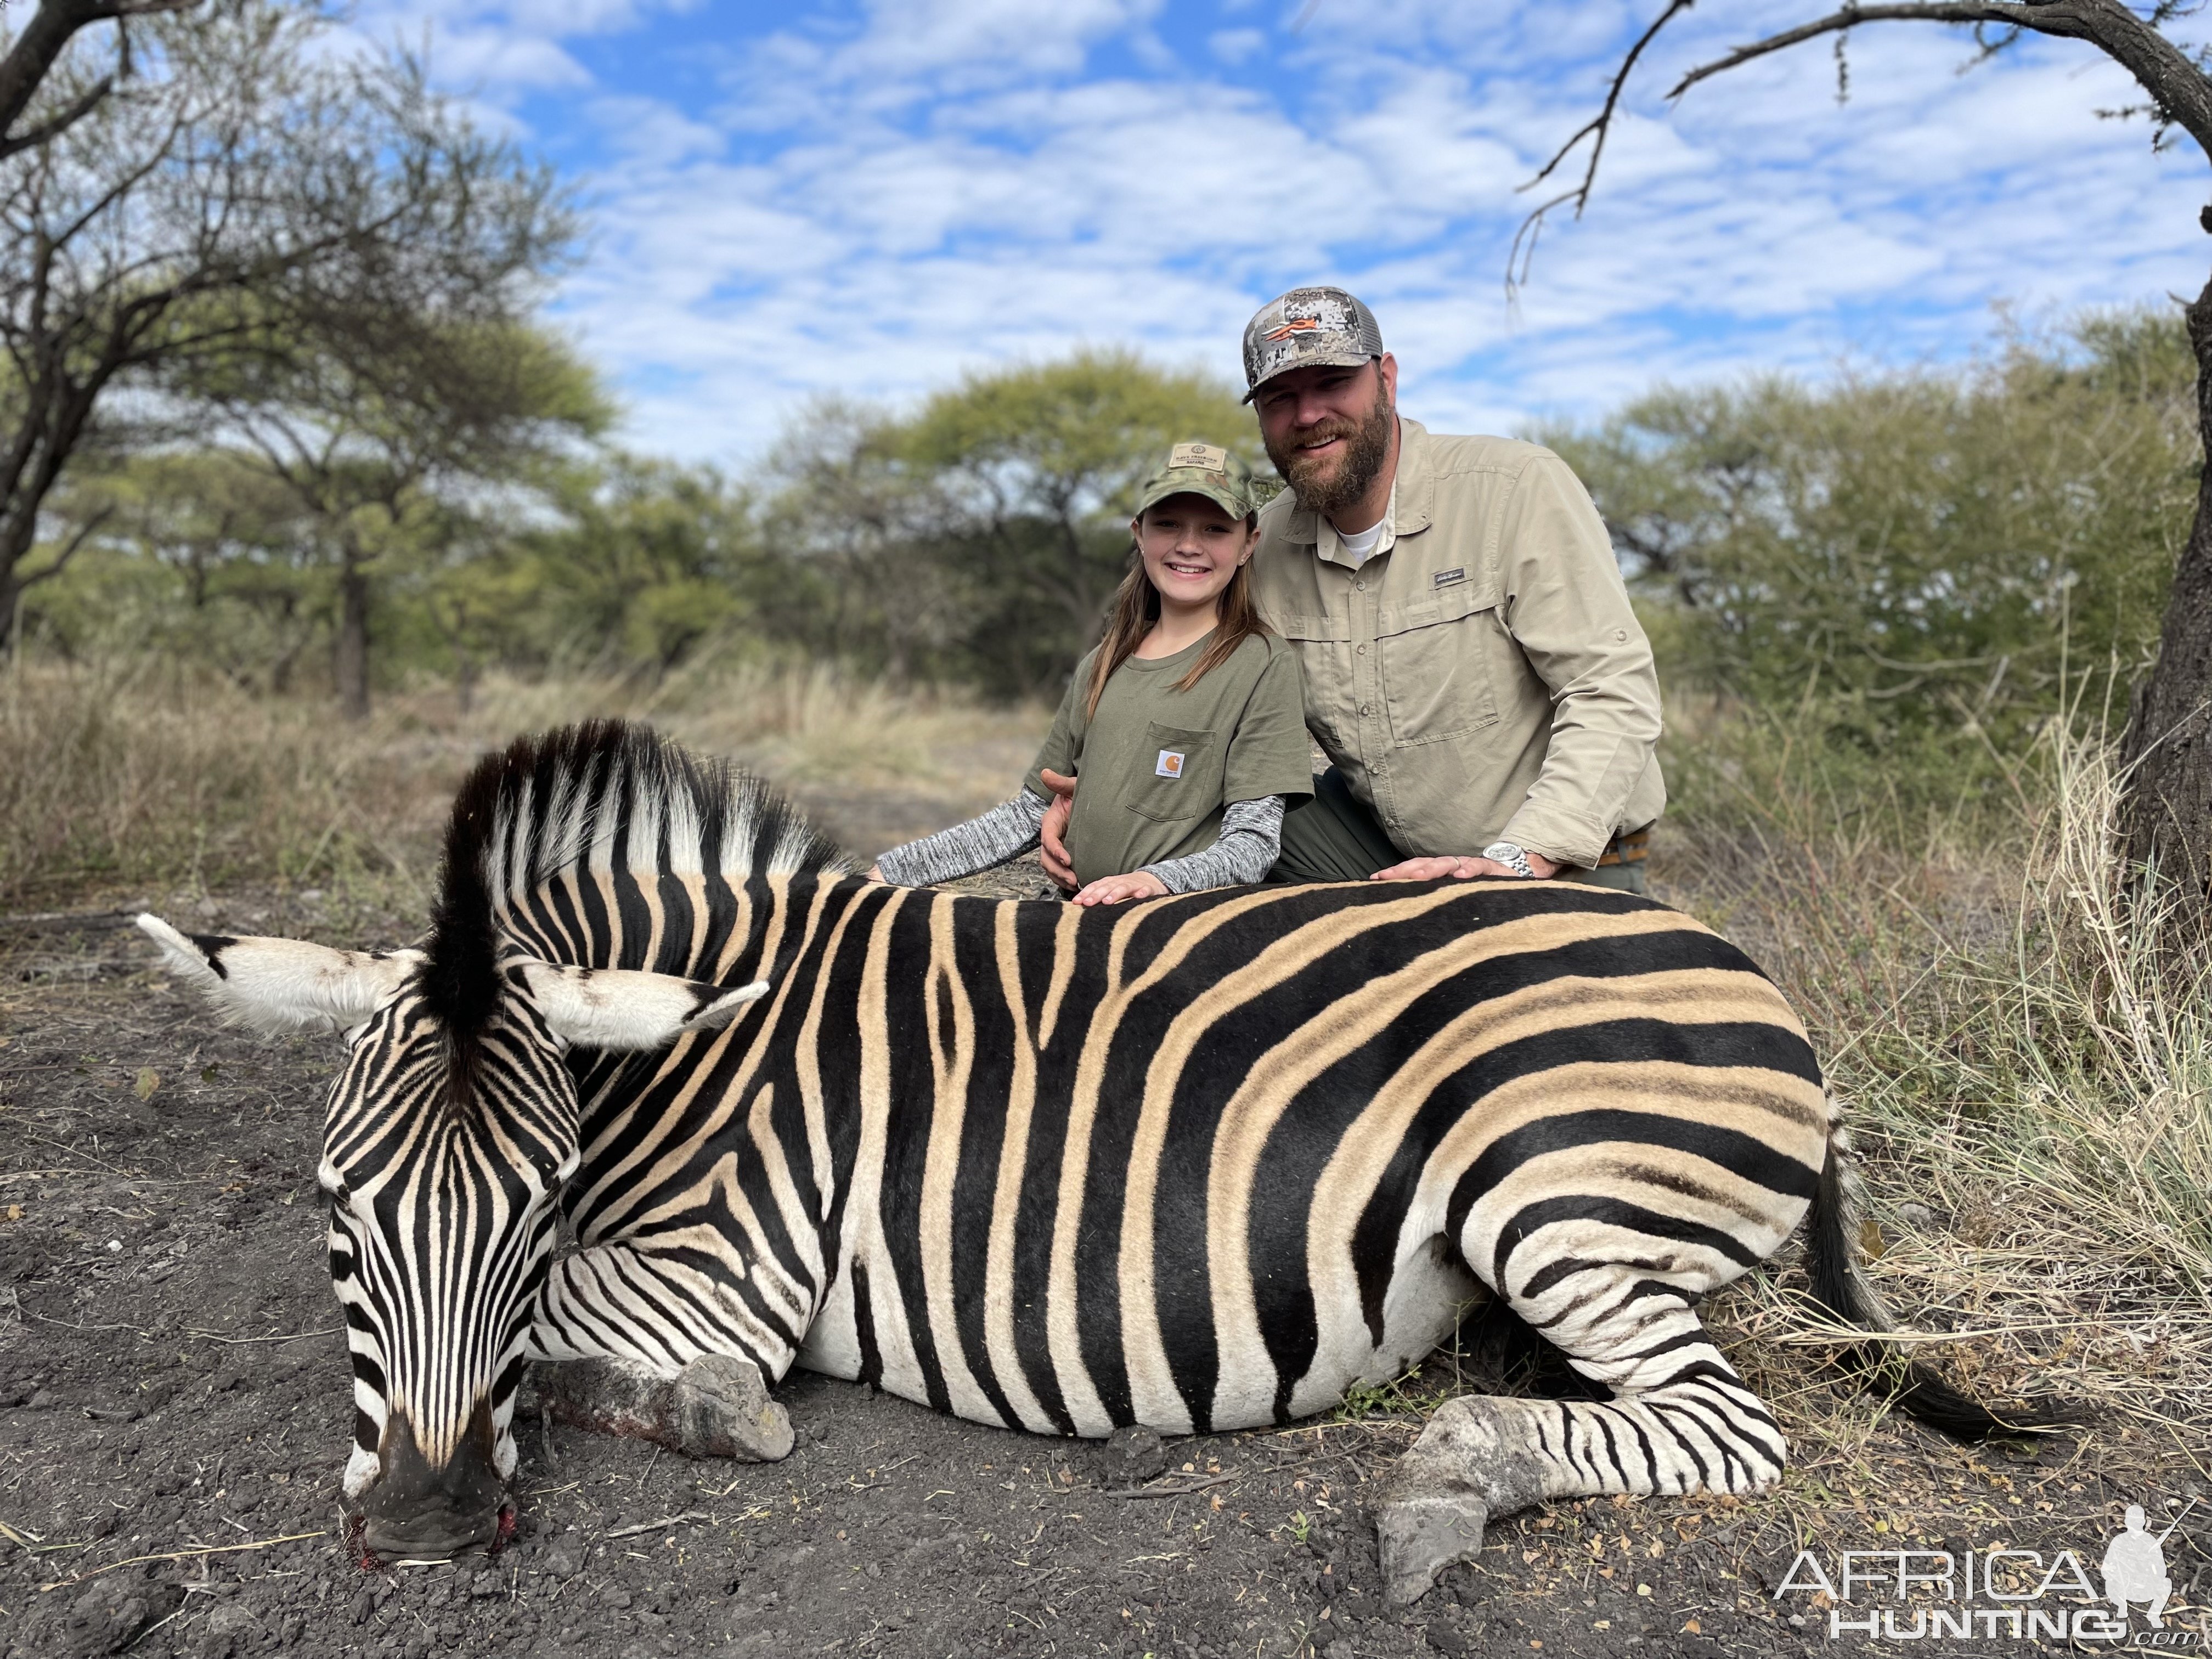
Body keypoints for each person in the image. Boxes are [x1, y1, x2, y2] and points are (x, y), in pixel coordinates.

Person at [1041, 286, 1663, 894]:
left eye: (1332, 383)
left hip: (1555, 859)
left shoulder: (1516, 488)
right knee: (1240, 830)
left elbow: (1610, 688)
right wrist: (1099, 794)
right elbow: (1179, 670)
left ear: (1386, 378)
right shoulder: (1263, 539)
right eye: (1280, 397)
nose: (1308, 415)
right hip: (1383, 847)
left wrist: (1523, 857)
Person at [870, 442, 1312, 905]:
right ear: (1139, 534)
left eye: (1216, 529)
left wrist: (1152, 881)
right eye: (1167, 524)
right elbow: (1028, 813)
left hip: (1178, 929)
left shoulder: (1263, 664)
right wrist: (891, 870)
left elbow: (1254, 843)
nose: (1188, 545)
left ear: (1248, 544)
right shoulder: (1102, 663)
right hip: (1078, 918)